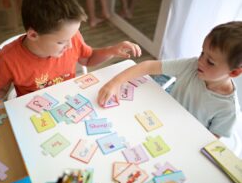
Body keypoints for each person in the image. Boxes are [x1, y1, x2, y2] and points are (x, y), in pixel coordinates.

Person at [0, 0, 141, 112]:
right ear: (33, 35)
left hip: (69, 102)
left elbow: (88, 58)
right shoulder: (8, 58)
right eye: (61, 42)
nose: (69, 46)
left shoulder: (72, 37)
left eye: (72, 37)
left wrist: (111, 50)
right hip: (33, 110)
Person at [97, 21, 242, 138]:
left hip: (183, 137)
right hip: (161, 117)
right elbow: (148, 66)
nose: (201, 61)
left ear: (234, 72)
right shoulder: (192, 65)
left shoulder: (229, 109)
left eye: (210, 61)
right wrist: (114, 83)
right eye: (202, 53)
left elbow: (212, 140)